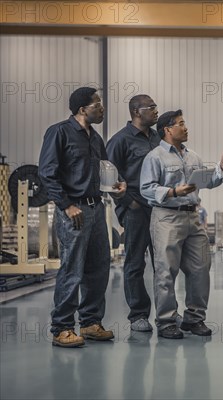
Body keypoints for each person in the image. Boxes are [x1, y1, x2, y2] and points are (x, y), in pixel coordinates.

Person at [38, 87, 127, 347]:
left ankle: (90, 323)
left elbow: (105, 172)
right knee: (72, 269)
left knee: (98, 268)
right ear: (81, 109)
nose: (101, 108)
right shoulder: (59, 133)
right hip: (73, 211)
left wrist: (117, 186)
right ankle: (62, 328)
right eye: (97, 104)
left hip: (96, 209)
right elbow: (47, 173)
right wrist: (66, 205)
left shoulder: (95, 138)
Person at [140, 109, 223, 339]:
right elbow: (146, 189)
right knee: (166, 272)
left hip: (193, 217)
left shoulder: (192, 156)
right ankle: (166, 322)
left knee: (201, 268)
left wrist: (221, 168)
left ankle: (194, 319)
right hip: (167, 217)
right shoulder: (155, 157)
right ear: (168, 129)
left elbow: (206, 182)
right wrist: (173, 191)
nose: (186, 128)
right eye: (181, 124)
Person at [106, 94, 161, 332]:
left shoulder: (159, 138)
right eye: (152, 107)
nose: (157, 111)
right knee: (135, 263)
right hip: (135, 210)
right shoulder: (120, 141)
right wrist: (129, 202)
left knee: (164, 265)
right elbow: (108, 179)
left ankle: (168, 313)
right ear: (137, 112)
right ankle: (138, 315)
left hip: (161, 209)